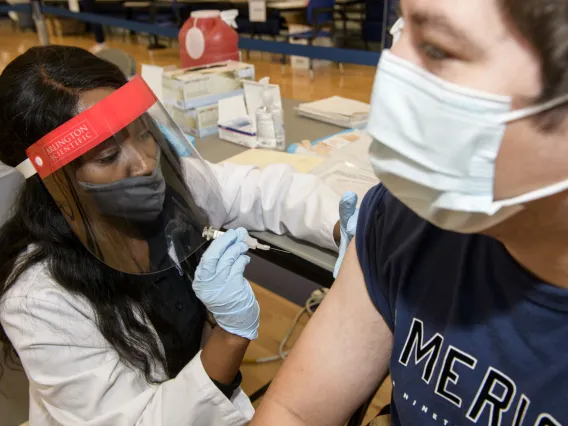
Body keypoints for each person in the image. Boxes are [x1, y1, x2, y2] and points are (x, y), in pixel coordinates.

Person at [252, 0, 568, 425]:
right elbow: (294, 413)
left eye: (436, 49)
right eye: (401, 31)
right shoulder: (404, 219)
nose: (390, 67)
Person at [0, 45, 350, 425]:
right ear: (55, 184)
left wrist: (345, 223)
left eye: (143, 134)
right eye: (106, 157)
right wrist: (230, 337)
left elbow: (262, 190)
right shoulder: (39, 299)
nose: (145, 163)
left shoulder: (170, 189)